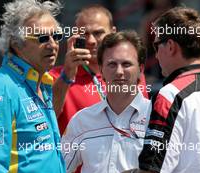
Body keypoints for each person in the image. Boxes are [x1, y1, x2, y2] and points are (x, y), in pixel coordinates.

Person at [122, 7, 200, 173]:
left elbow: (152, 170)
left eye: (156, 44)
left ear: (170, 46)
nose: (157, 55)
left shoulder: (170, 95)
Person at [0, 0, 66, 173]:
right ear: (16, 43)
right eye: (42, 38)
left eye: (56, 36)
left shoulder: (43, 81)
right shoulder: (0, 87)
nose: (52, 45)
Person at [49, 4, 149, 136]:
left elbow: (142, 120)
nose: (91, 41)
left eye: (98, 33)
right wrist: (67, 74)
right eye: (84, 34)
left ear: (113, 33)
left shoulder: (131, 73)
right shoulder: (57, 76)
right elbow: (48, 119)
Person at [61, 30, 151, 173]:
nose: (119, 71)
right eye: (112, 64)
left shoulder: (158, 120)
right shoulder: (81, 120)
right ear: (101, 70)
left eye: (127, 64)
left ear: (140, 69)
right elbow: (58, 169)